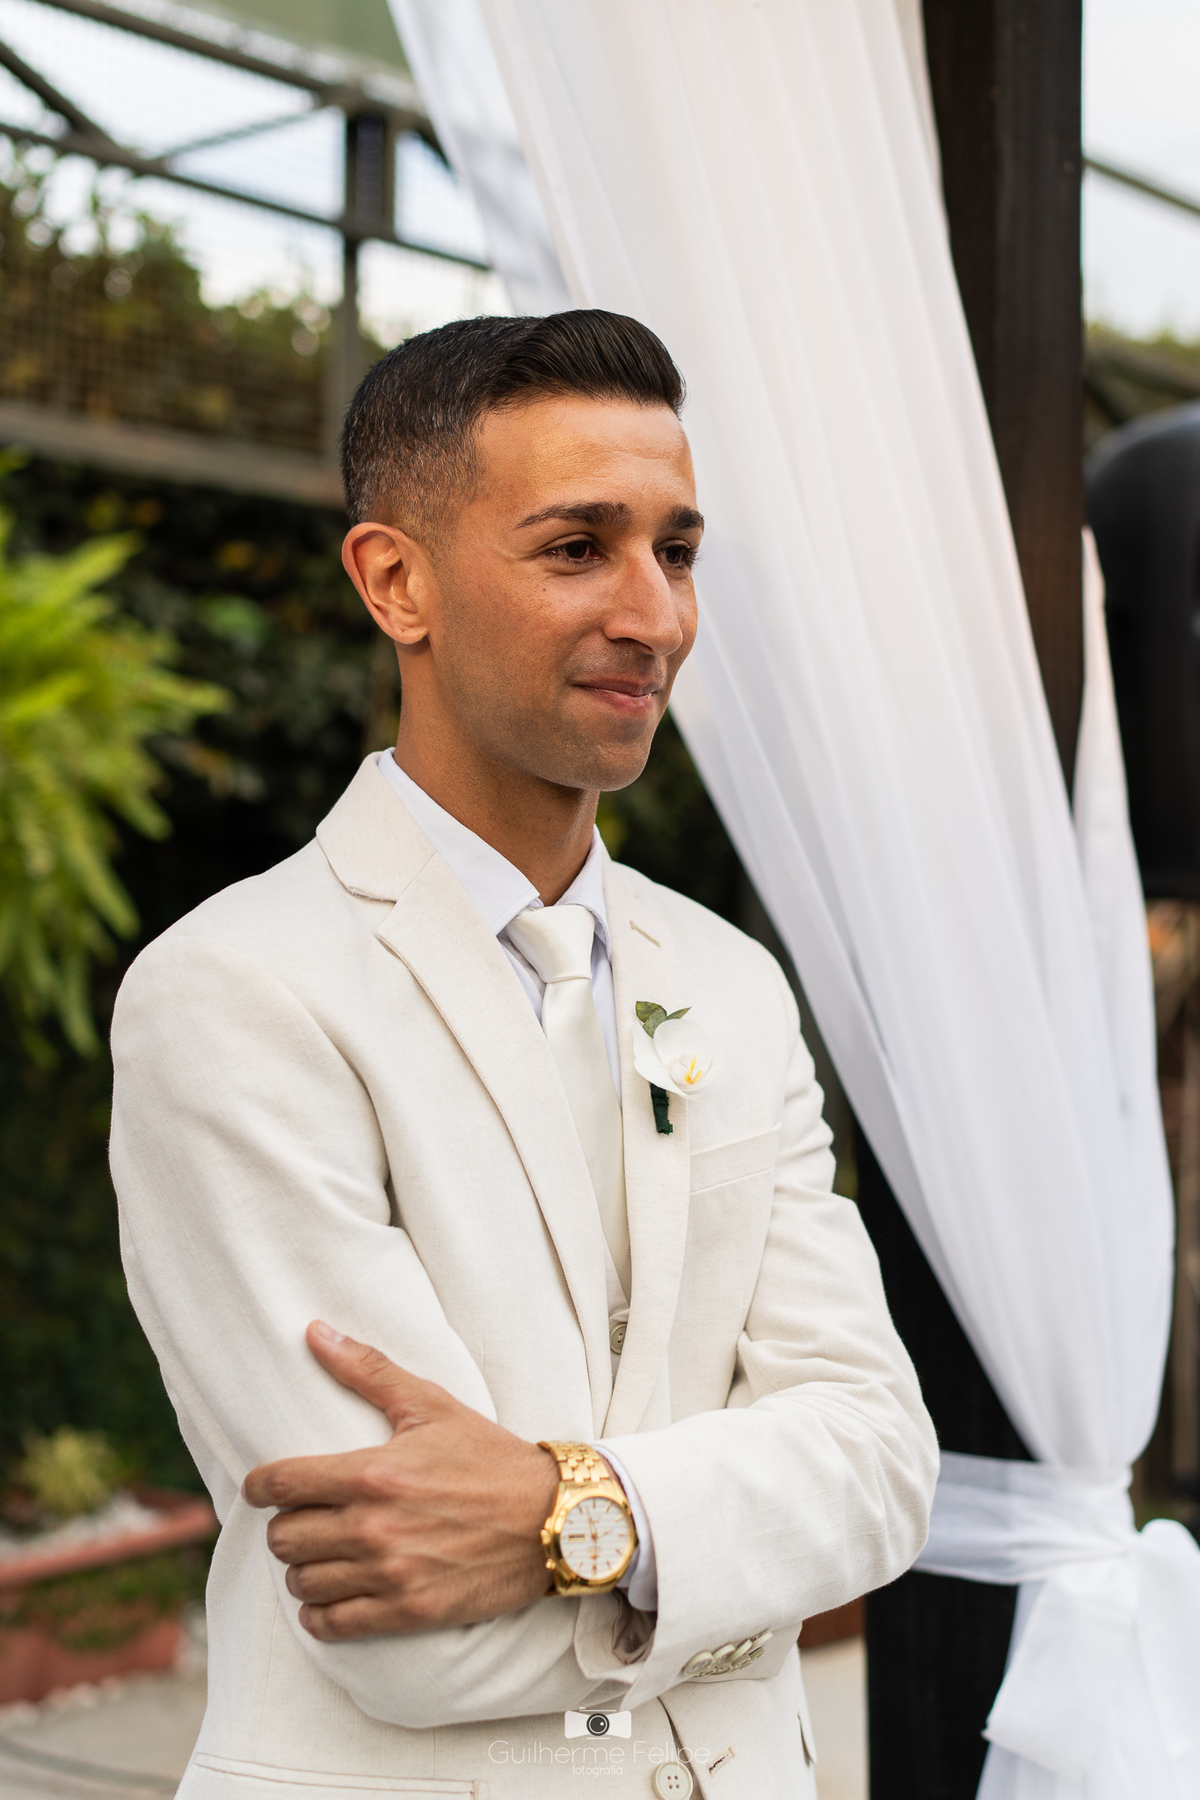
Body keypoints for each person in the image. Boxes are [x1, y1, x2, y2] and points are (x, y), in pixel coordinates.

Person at [110, 311, 936, 1800]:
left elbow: (882, 1469)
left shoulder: (733, 985)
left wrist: (562, 1517)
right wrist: (739, 1571)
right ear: (396, 581)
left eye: (677, 551)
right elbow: (417, 1643)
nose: (656, 615)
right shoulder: (232, 992)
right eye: (576, 548)